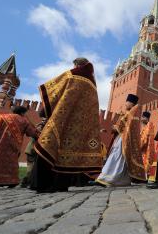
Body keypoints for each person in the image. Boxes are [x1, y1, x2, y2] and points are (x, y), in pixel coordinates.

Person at [30, 58, 103, 193]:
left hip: (63, 119)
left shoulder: (73, 74)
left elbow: (55, 92)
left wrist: (45, 110)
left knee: (49, 144)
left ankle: (43, 184)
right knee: (69, 155)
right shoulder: (92, 85)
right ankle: (61, 184)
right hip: (79, 127)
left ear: (76, 65)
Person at [97, 94, 146, 186]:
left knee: (116, 157)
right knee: (120, 159)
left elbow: (124, 126)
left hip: (124, 139)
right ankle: (122, 180)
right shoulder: (127, 113)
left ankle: (106, 178)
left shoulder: (132, 113)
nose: (125, 104)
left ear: (131, 103)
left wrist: (115, 127)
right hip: (121, 138)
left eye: (127, 102)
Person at [0, 106, 38, 187]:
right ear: (22, 113)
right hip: (13, 145)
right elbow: (31, 133)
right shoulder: (24, 120)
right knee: (11, 162)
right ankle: (11, 181)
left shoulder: (1, 117)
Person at [20, 110, 47, 188]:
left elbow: (34, 134)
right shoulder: (44, 124)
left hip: (34, 148)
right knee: (32, 166)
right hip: (37, 148)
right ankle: (27, 181)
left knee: (31, 166)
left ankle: (27, 181)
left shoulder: (41, 124)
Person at [140, 111, 156, 175]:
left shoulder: (148, 126)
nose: (141, 119)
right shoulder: (149, 125)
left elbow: (144, 139)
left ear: (146, 118)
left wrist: (139, 146)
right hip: (147, 149)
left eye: (143, 117)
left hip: (146, 150)